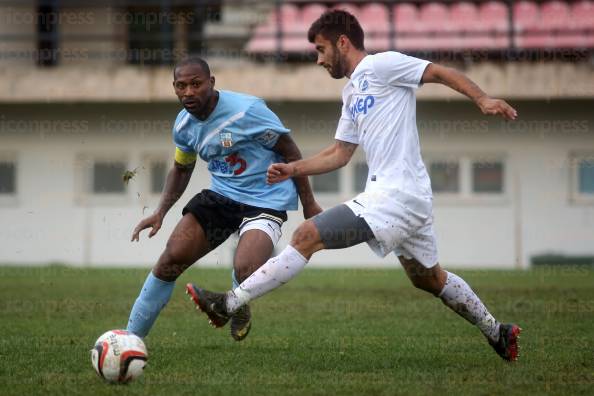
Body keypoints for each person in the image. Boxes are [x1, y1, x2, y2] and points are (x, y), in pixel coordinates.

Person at [188, 10, 523, 361]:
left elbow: (437, 72)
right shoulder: (351, 93)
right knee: (429, 279)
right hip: (404, 198)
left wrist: (482, 98)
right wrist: (292, 168)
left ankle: (229, 302)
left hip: (397, 195)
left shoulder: (382, 65)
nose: (319, 60)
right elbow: (339, 153)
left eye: (321, 49)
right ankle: (497, 332)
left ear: (342, 42)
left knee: (305, 236)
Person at [126, 56, 321, 342]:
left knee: (246, 271)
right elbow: (182, 167)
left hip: (265, 200)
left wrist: (308, 203)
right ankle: (129, 339)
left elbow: (291, 153)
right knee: (170, 260)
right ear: (174, 88)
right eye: (181, 86)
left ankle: (236, 302)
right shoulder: (183, 126)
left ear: (211, 82)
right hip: (221, 197)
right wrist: (160, 212)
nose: (189, 92)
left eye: (196, 84)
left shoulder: (248, 111)